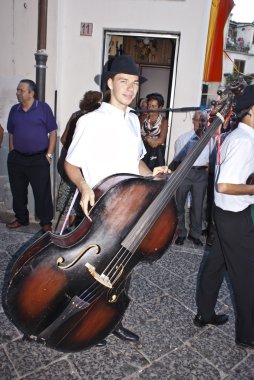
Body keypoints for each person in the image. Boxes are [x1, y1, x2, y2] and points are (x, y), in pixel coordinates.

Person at [64, 55, 168, 344]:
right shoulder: (90, 120)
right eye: (124, 81)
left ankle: (112, 320)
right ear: (110, 83)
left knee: (123, 268)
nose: (130, 88)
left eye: (135, 83)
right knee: (92, 268)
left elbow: (136, 163)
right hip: (101, 207)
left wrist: (153, 175)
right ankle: (78, 320)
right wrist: (84, 187)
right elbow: (70, 165)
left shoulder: (134, 120)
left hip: (132, 206)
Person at [194, 85, 254, 349]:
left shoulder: (235, 135)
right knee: (246, 276)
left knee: (216, 265)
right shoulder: (244, 140)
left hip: (223, 212)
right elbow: (225, 185)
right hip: (234, 214)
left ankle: (204, 315)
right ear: (251, 110)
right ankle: (247, 334)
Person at [6, 79, 57, 233]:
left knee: (42, 193)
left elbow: (53, 132)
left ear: (31, 93)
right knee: (18, 191)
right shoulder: (14, 110)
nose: (18, 93)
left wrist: (48, 154)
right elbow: (11, 132)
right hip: (17, 159)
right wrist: (12, 153)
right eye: (18, 90)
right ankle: (21, 218)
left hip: (38, 159)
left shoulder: (43, 108)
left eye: (21, 90)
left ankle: (46, 222)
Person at [56, 90, 102, 230]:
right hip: (82, 166)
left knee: (69, 197)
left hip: (68, 161)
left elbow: (63, 139)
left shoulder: (75, 115)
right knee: (81, 198)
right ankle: (76, 231)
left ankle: (66, 230)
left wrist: (73, 151)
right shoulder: (94, 118)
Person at [172, 110, 209, 246]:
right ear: (193, 120)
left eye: (203, 120)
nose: (200, 122)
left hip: (201, 174)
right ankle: (181, 233)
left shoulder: (210, 139)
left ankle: (195, 235)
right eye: (197, 119)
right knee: (180, 204)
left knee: (198, 206)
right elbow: (177, 160)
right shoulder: (182, 139)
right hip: (185, 174)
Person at [141, 93, 168, 170]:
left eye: (153, 106)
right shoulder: (142, 118)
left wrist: (150, 140)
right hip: (143, 152)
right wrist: (146, 139)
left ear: (160, 107)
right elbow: (136, 135)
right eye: (149, 105)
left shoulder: (163, 121)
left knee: (156, 176)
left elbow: (161, 140)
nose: (150, 108)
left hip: (157, 154)